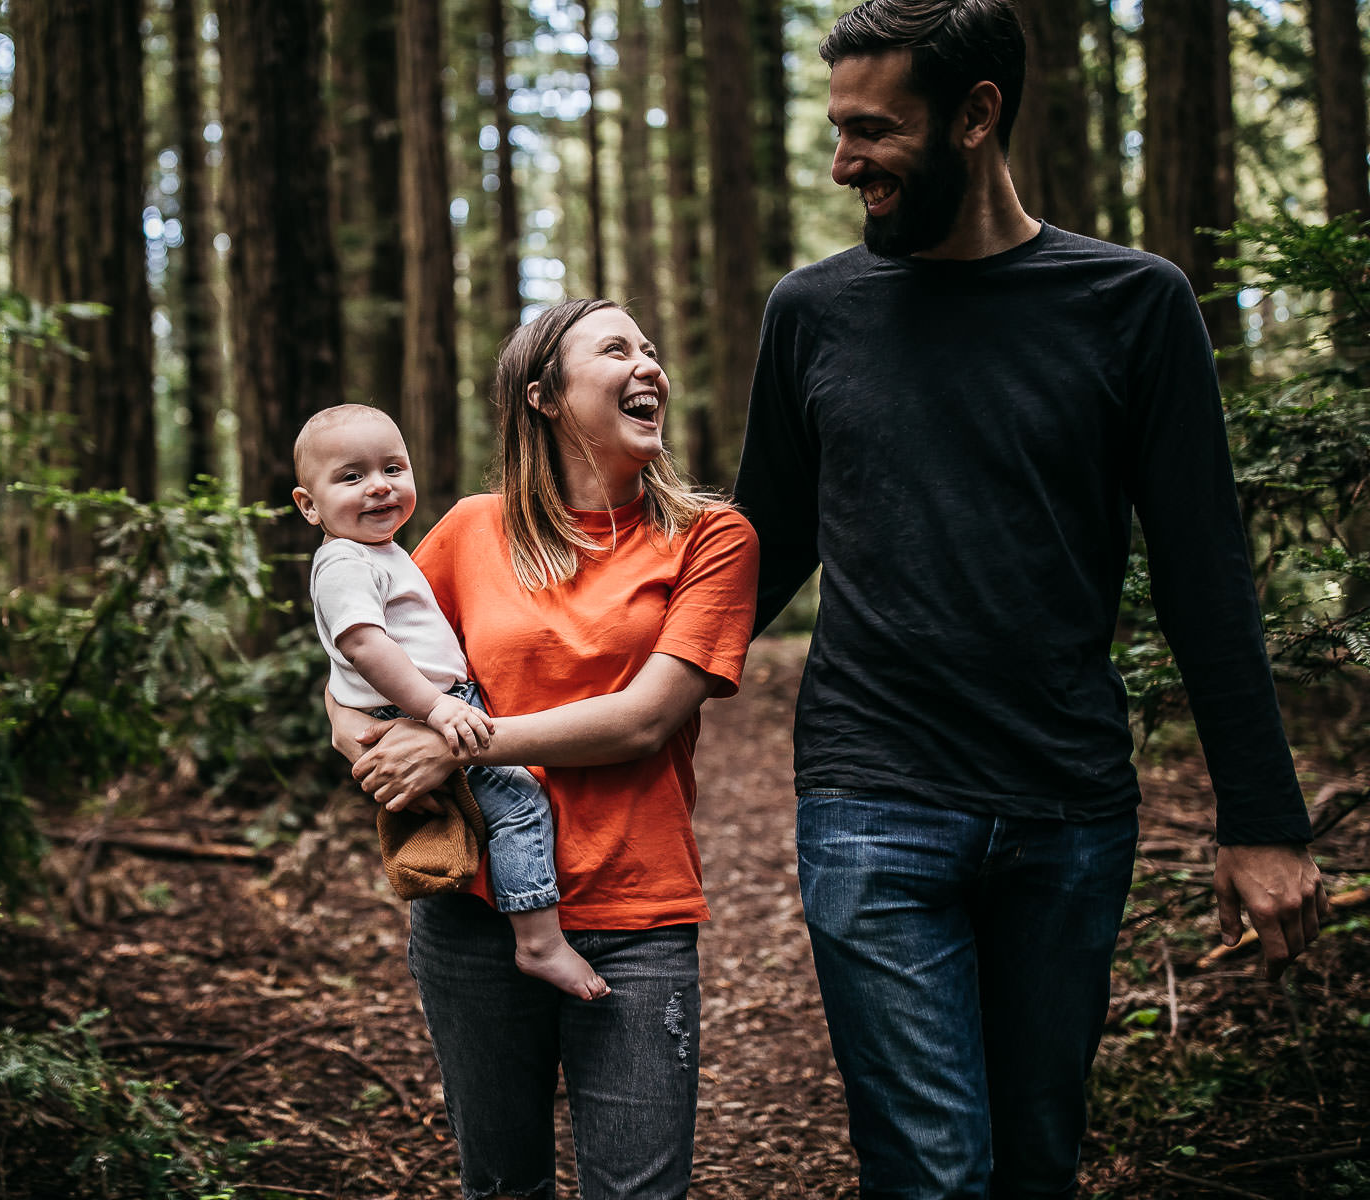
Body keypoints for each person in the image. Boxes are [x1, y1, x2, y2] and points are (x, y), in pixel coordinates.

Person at [731, 0, 1330, 1196]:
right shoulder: (814, 312)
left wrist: (1261, 818)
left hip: (1067, 807)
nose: (845, 164)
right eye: (836, 131)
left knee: (1035, 1164)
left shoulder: (1131, 306)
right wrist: (572, 685)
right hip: (872, 798)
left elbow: (1206, 577)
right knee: (936, 1177)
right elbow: (757, 550)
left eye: (871, 131)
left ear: (977, 115)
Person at [329, 299, 758, 1199]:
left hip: (636, 915)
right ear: (546, 399)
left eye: (651, 347)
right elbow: (366, 653)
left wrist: (458, 749)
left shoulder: (711, 538)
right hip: (471, 916)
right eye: (615, 350)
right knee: (500, 1185)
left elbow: (645, 719)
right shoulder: (470, 529)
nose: (649, 365)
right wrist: (349, 723)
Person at [293, 402, 609, 1000]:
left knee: (464, 817)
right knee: (519, 802)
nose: (380, 486)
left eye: (393, 467)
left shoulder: (381, 554)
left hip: (432, 703)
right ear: (309, 505)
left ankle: (459, 880)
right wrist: (436, 711)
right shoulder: (343, 562)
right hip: (422, 709)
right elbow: (362, 645)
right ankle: (538, 940)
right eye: (351, 476)